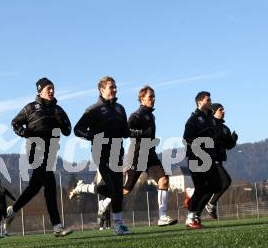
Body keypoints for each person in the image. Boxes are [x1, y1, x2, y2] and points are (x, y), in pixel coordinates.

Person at [70, 86, 177, 227]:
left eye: (154, 96)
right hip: (137, 156)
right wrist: (142, 132)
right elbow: (127, 130)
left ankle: (162, 217)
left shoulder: (150, 115)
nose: (153, 99)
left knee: (163, 180)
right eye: (150, 96)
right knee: (124, 191)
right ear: (142, 98)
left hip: (150, 154)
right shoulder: (136, 115)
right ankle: (86, 189)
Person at [5, 77, 72, 237]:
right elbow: (15, 123)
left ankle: (13, 211)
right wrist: (24, 132)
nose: (51, 91)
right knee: (50, 184)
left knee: (34, 188)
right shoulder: (30, 108)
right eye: (48, 88)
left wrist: (61, 122)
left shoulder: (58, 110)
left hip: (51, 154)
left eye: (53, 88)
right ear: (39, 91)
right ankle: (57, 226)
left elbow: (68, 130)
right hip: (35, 152)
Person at [74, 76, 131, 235]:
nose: (114, 89)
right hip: (101, 153)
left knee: (117, 189)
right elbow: (77, 129)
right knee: (115, 189)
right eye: (111, 87)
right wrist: (90, 136)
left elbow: (125, 132)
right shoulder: (93, 110)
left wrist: (134, 131)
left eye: (115, 87)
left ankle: (118, 223)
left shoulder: (120, 108)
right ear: (101, 90)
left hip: (117, 153)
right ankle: (118, 226)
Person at [183, 91, 221, 229]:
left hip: (209, 158)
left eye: (210, 99)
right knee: (201, 188)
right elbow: (186, 138)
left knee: (216, 186)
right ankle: (191, 218)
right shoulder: (193, 119)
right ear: (200, 102)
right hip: (196, 157)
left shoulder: (211, 118)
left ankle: (192, 196)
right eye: (208, 100)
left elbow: (214, 137)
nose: (210, 102)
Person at [203, 103, 238, 218]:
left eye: (223, 109)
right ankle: (211, 204)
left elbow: (229, 145)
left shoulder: (225, 128)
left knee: (214, 186)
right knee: (226, 181)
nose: (223, 111)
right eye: (220, 109)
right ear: (213, 112)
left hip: (219, 159)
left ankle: (194, 213)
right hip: (210, 159)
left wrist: (233, 140)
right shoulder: (207, 125)